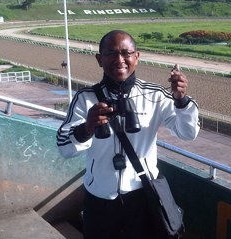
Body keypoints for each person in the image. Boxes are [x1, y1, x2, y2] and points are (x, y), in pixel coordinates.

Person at [56, 30, 200, 239]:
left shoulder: (155, 96)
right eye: (111, 53)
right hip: (100, 199)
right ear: (99, 59)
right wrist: (87, 127)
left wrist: (181, 101)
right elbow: (64, 148)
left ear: (137, 57)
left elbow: (188, 133)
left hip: (143, 196)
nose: (119, 60)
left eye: (126, 53)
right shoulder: (85, 99)